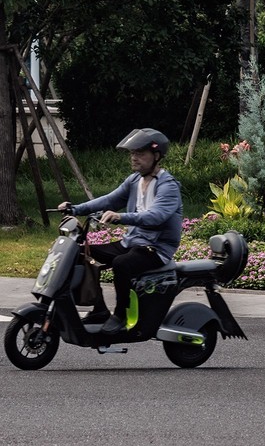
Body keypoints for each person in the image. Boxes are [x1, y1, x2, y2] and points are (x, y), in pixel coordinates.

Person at [59, 128, 184, 334]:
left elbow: (155, 217)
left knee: (121, 264)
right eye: (132, 154)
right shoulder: (135, 180)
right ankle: (99, 310)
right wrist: (76, 208)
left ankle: (121, 314)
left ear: (156, 156)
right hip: (132, 243)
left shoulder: (168, 186)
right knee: (81, 253)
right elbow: (109, 200)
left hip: (156, 249)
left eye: (140, 154)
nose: (134, 158)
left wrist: (120, 217)